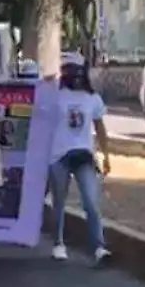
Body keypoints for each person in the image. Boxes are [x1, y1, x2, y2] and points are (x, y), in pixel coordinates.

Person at [50, 56, 112, 265]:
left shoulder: (92, 98)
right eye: (70, 72)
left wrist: (106, 156)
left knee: (91, 203)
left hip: (84, 155)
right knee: (59, 202)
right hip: (58, 156)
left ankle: (99, 247)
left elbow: (100, 128)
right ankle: (58, 243)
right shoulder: (55, 96)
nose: (75, 77)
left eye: (77, 72)